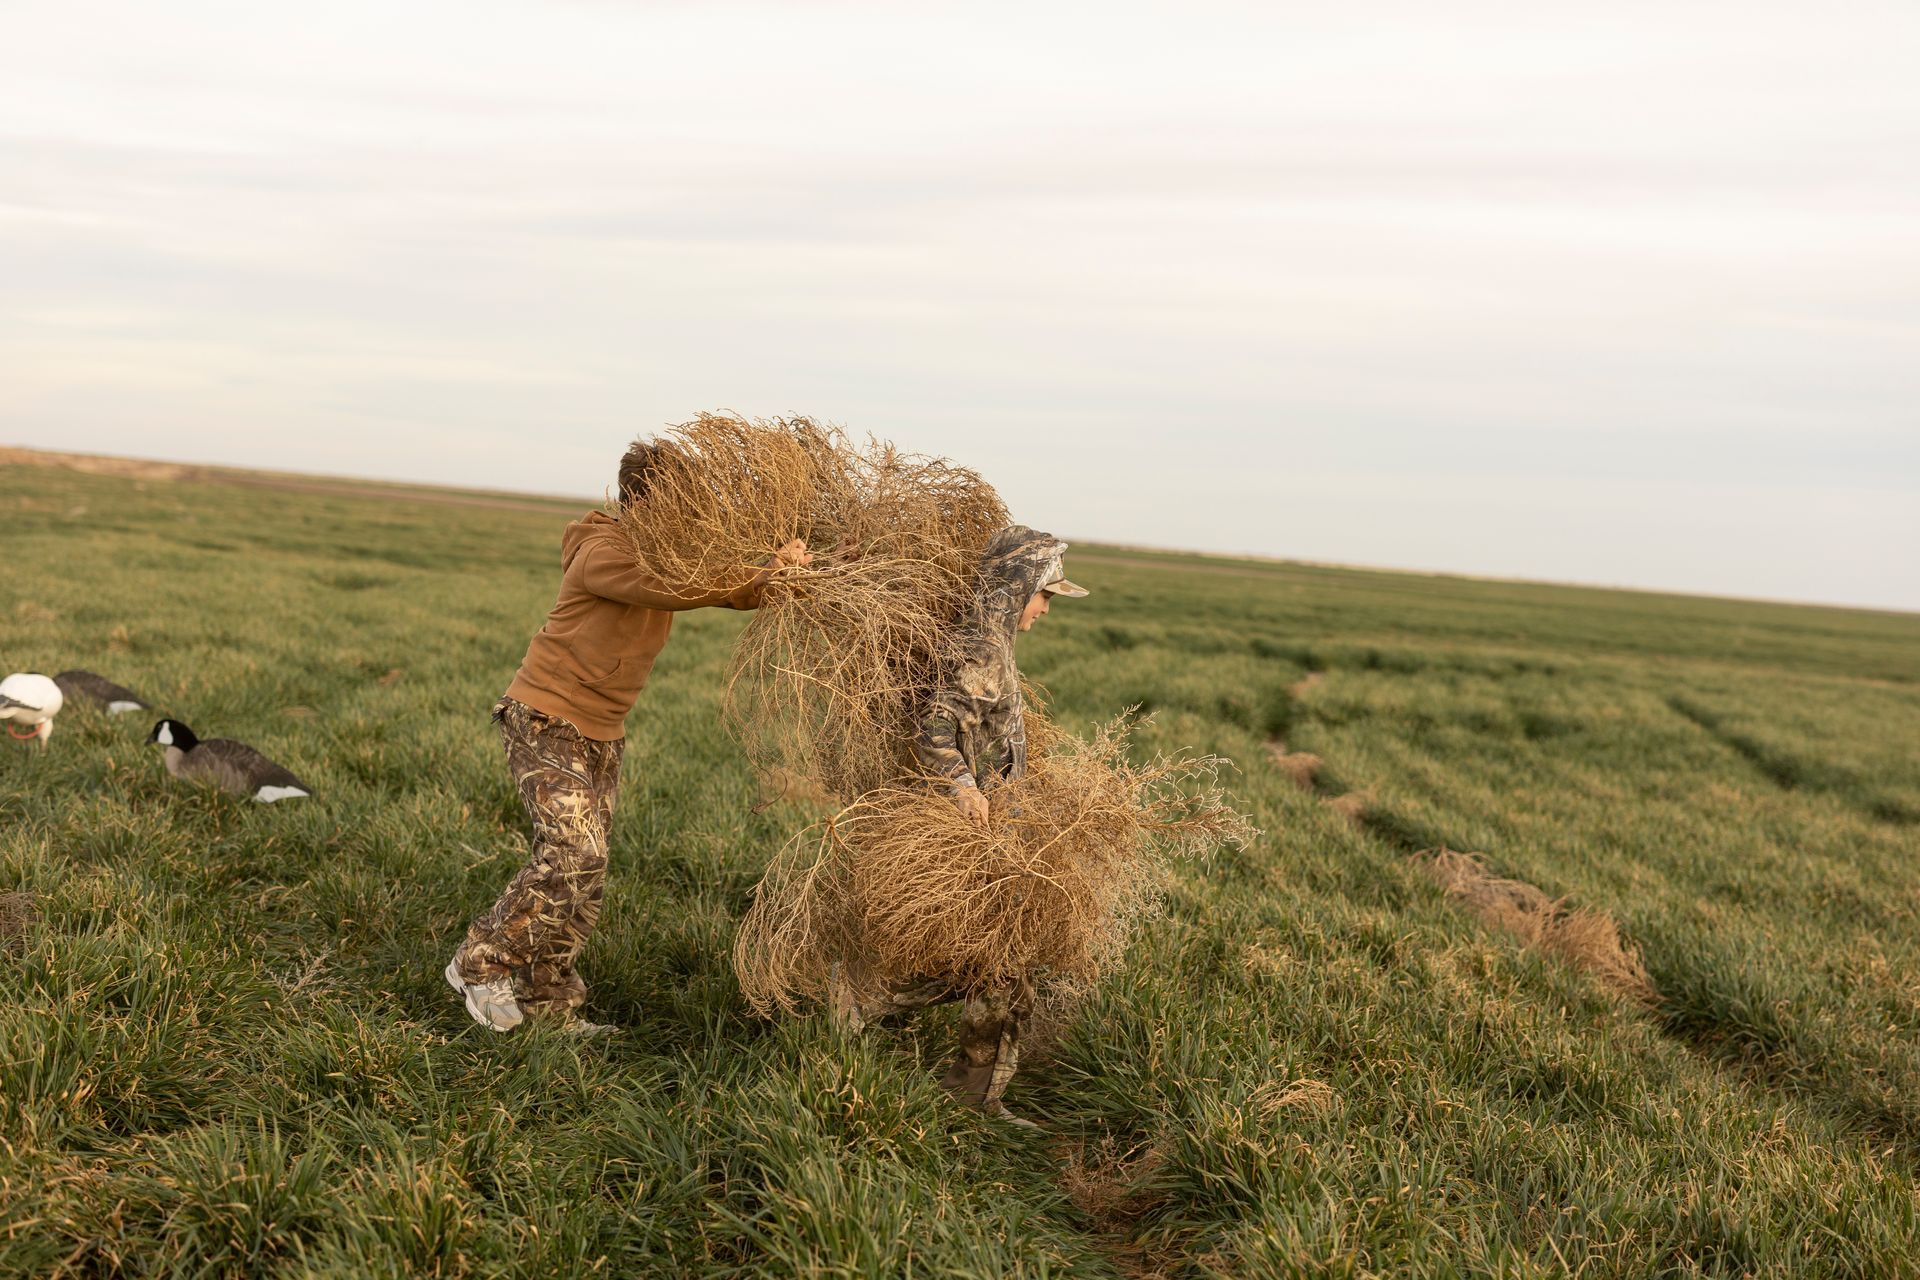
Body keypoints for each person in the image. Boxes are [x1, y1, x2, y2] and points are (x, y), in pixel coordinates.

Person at [446, 439, 809, 1033]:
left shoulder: (668, 556)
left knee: (586, 883)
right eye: (679, 502)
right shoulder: (604, 551)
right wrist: (760, 569)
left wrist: (784, 573)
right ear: (641, 502)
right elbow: (672, 588)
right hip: (545, 720)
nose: (690, 514)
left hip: (602, 733)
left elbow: (723, 588)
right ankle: (480, 964)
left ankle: (547, 1007)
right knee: (573, 858)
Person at [830, 524, 1087, 1124]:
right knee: (999, 959)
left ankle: (953, 1077)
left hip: (999, 825)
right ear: (1020, 586)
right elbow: (934, 728)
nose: (1047, 609)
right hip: (979, 831)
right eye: (1045, 594)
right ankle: (959, 1087)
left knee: (991, 960)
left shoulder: (987, 641)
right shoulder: (983, 650)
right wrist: (965, 789)